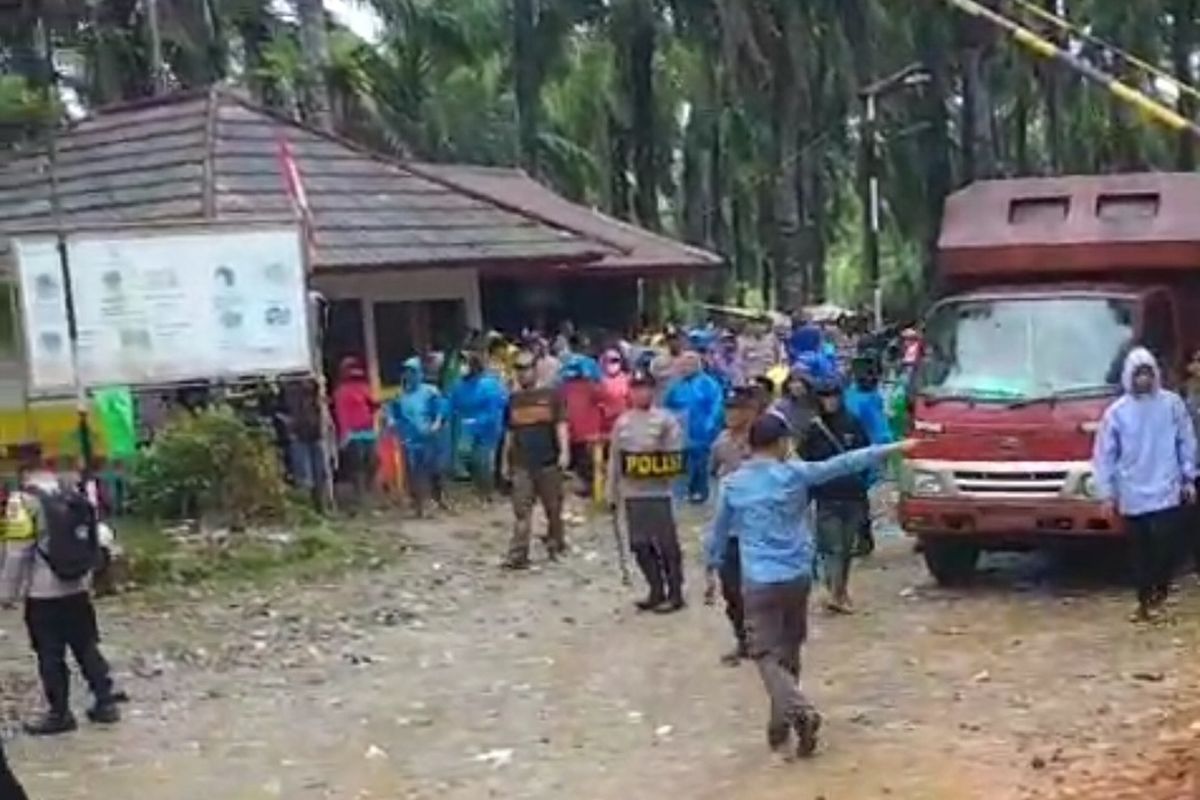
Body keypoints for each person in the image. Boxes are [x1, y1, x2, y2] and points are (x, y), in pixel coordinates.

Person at [705, 415, 910, 757]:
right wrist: (894, 447)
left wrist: (710, 571)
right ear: (781, 443)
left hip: (759, 579)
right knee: (789, 651)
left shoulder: (734, 485)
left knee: (764, 653)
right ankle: (780, 725)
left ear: (751, 445)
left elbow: (719, 532)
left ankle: (799, 711)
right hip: (798, 576)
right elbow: (845, 462)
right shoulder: (795, 474)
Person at [0, 472, 123, 736]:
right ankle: (105, 702)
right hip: (77, 587)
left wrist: (6, 594)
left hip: (43, 593)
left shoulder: (22, 502)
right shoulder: (71, 493)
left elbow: (18, 551)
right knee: (86, 645)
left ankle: (60, 714)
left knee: (50, 654)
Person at [1093, 346, 1197, 621]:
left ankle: (1160, 589)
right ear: (1129, 377)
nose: (1143, 380)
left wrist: (1189, 476)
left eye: (1147, 374)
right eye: (1138, 375)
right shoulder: (1117, 413)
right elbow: (1105, 454)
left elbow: (1186, 441)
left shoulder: (1171, 405)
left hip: (1166, 486)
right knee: (1140, 551)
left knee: (1166, 546)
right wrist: (1106, 493)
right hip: (1132, 490)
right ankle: (1143, 600)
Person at [607, 371, 687, 613]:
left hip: (658, 492)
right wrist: (612, 492)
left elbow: (675, 456)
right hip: (632, 493)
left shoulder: (666, 420)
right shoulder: (622, 422)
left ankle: (675, 593)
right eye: (636, 388)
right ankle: (655, 589)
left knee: (666, 545)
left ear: (653, 391)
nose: (641, 393)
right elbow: (614, 459)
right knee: (639, 545)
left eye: (646, 388)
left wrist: (659, 466)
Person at [802, 376, 872, 614]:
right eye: (824, 397)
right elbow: (805, 463)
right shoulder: (813, 429)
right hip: (826, 497)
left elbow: (867, 455)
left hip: (853, 495)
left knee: (846, 548)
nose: (829, 401)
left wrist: (864, 483)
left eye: (833, 396)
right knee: (833, 547)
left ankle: (840, 592)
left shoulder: (853, 423)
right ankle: (835, 593)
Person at [502, 350, 570, 569]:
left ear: (535, 369)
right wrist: (505, 460)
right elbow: (509, 433)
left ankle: (556, 543)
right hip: (522, 463)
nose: (522, 374)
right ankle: (518, 554)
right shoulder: (513, 400)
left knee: (553, 508)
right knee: (522, 511)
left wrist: (564, 451)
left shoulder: (551, 396)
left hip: (548, 461)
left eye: (526, 368)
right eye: (518, 369)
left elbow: (561, 425)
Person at [705, 387, 757, 663]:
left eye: (737, 409)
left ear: (750, 411)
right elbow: (712, 473)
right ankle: (743, 639)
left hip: (758, 527)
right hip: (730, 528)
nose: (731, 414)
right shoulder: (721, 443)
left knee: (760, 589)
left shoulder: (764, 441)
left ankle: (764, 639)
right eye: (728, 409)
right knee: (731, 589)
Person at [663, 351, 725, 503]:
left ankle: (700, 492)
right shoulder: (677, 385)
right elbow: (667, 404)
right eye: (683, 364)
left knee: (701, 462)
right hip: (682, 429)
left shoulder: (709, 383)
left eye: (690, 364)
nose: (686, 367)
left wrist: (710, 424)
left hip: (702, 429)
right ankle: (683, 492)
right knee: (683, 462)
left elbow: (717, 405)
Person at [389, 357, 445, 517]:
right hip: (409, 438)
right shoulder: (399, 395)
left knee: (432, 468)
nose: (409, 375)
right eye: (406, 372)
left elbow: (440, 411)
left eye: (412, 371)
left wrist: (436, 424)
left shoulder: (430, 391)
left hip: (428, 436)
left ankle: (435, 499)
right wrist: (393, 424)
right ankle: (418, 504)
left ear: (419, 373)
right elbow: (395, 414)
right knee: (413, 471)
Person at [451, 353, 509, 501]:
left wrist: (478, 421)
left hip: (489, 430)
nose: (462, 368)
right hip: (469, 428)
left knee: (484, 461)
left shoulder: (489, 384)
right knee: (469, 457)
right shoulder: (460, 385)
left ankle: (488, 493)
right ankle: (482, 489)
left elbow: (496, 408)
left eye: (466, 364)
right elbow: (452, 403)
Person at [332, 356, 379, 508]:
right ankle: (361, 497)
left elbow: (374, 404)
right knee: (357, 464)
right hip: (351, 433)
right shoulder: (340, 392)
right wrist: (344, 434)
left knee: (372, 462)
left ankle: (367, 492)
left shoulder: (364, 387)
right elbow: (340, 414)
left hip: (367, 430)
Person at [560, 353, 605, 494]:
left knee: (586, 465)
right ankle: (592, 490)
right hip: (585, 433)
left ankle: (592, 489)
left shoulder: (564, 388)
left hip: (577, 433)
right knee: (587, 465)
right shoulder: (591, 386)